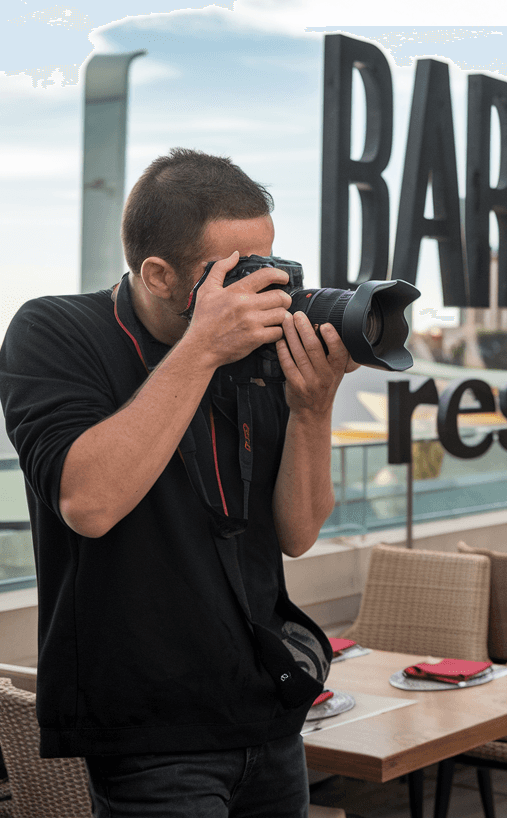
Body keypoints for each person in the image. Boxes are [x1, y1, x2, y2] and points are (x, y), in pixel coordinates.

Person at [0, 148, 353, 816]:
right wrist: (203, 348)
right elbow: (89, 504)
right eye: (232, 273)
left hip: (267, 713)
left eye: (266, 265)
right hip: (149, 733)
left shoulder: (254, 352)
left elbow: (299, 533)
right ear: (158, 275)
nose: (257, 290)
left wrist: (313, 409)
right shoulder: (54, 331)